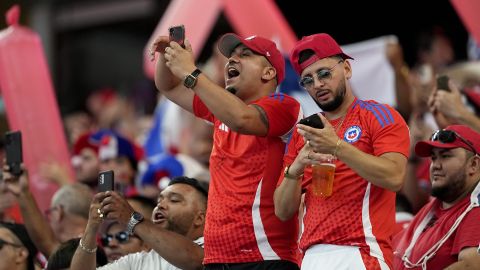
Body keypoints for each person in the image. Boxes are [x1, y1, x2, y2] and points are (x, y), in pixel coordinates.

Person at [150, 32, 302, 269]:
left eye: (245, 55)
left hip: (265, 256)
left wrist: (191, 72)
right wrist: (168, 56)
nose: (232, 60)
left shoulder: (285, 105)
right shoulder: (220, 111)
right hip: (217, 258)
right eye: (230, 56)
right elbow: (169, 87)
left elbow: (242, 119)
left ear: (268, 72)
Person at [274, 33, 410, 269]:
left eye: (324, 73)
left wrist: (336, 146)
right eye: (308, 80)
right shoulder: (303, 132)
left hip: (361, 250)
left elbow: (394, 177)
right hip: (309, 257)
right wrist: (295, 169)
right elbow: (283, 211)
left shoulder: (378, 115)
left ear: (346, 69)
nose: (317, 84)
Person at [70, 176, 207, 270]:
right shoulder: (138, 261)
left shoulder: (215, 248)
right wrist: (93, 225)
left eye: (174, 200)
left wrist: (131, 219)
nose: (161, 205)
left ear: (200, 218)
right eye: (159, 201)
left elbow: (194, 260)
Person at [393, 125, 480, 269]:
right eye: (433, 158)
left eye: (445, 156)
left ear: (473, 164)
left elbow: (470, 266)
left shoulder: (475, 209)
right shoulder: (434, 207)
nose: (435, 165)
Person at [1, 165, 92, 258]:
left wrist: (23, 193)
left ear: (57, 213)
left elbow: (47, 243)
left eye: (49, 213)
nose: (48, 220)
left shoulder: (79, 252)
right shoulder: (98, 244)